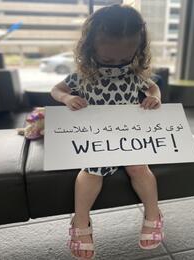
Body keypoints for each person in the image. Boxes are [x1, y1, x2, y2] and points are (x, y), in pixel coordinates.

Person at [51, 4, 163, 260]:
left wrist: (155, 99)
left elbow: (154, 89)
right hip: (96, 137)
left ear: (137, 50)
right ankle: (80, 223)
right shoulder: (83, 76)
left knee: (139, 167)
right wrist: (67, 99)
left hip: (127, 135)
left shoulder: (133, 75)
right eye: (109, 60)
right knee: (91, 171)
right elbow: (55, 90)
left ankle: (154, 215)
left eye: (124, 58)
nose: (117, 65)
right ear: (90, 48)